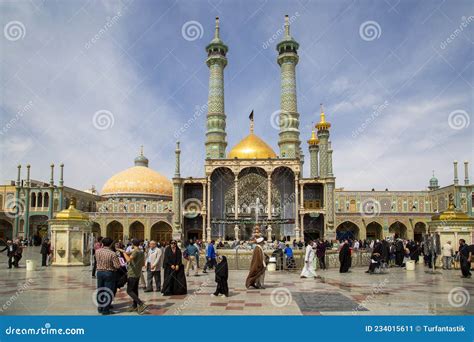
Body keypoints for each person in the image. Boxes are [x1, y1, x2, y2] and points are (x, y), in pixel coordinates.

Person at [120, 239, 148, 314]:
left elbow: (128, 260)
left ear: (132, 244)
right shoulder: (141, 252)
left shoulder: (135, 252)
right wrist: (125, 251)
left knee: (129, 290)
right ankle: (134, 305)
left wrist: (124, 253)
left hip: (132, 273)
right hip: (138, 273)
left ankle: (141, 304)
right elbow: (142, 264)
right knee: (135, 290)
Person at [95, 237, 121, 315]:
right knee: (108, 291)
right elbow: (117, 266)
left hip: (99, 272)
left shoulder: (97, 251)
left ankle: (100, 307)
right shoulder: (112, 253)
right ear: (110, 244)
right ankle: (105, 310)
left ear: (102, 243)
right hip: (109, 273)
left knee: (100, 290)